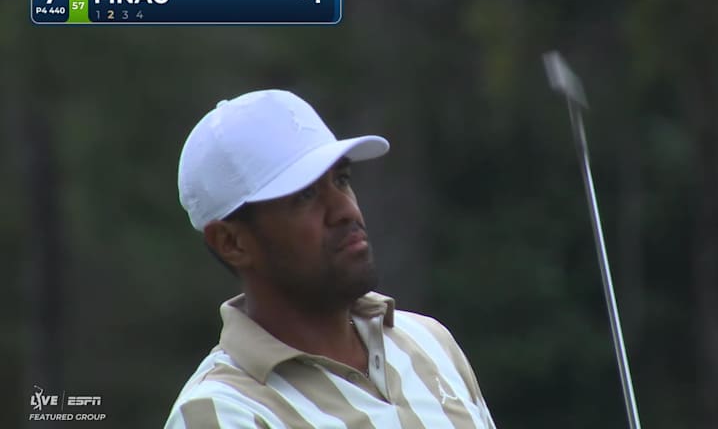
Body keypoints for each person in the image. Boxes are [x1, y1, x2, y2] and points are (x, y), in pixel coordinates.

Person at [165, 89, 496, 428]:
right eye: (305, 195)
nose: (347, 210)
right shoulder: (220, 412)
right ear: (232, 242)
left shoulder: (428, 343)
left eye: (342, 180)